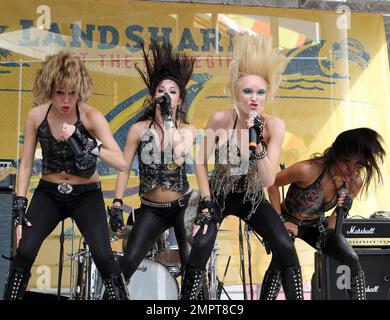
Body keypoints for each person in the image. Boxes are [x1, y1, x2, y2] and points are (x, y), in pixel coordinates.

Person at [180, 32, 304, 300]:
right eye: (247, 91)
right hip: (219, 195)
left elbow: (270, 180)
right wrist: (205, 201)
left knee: (284, 244)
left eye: (260, 92)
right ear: (235, 92)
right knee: (202, 243)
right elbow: (200, 161)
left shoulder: (274, 126)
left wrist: (257, 143)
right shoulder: (221, 119)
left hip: (252, 196)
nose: (254, 98)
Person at [3, 51, 129, 300]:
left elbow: (121, 162)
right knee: (25, 250)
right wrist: (19, 203)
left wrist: (83, 139)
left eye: (72, 93)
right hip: (49, 192)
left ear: (80, 91)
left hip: (85, 194)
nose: (66, 100)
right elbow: (27, 163)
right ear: (49, 89)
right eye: (60, 92)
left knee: (103, 254)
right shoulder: (36, 116)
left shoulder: (91, 116)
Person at [107, 39, 196, 293]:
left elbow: (177, 155)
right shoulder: (138, 129)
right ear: (153, 96)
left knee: (192, 266)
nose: (165, 95)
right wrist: (116, 202)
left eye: (172, 91)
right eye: (160, 90)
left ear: (179, 100)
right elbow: (124, 167)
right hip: (151, 208)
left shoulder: (187, 129)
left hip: (182, 206)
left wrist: (168, 120)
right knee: (128, 262)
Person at [260, 128, 385, 300]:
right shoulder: (308, 170)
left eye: (358, 165)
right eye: (347, 162)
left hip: (315, 224)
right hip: (287, 219)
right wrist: (279, 223)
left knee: (352, 258)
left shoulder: (354, 182)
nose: (351, 170)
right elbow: (271, 182)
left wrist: (341, 213)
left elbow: (333, 224)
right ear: (336, 154)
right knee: (283, 259)